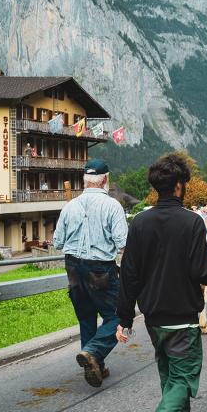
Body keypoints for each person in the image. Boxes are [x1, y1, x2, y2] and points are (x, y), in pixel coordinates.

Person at [116, 153, 207, 412]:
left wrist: (125, 318)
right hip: (182, 315)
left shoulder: (140, 222)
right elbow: (205, 272)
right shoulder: (192, 222)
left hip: (154, 317)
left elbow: (128, 274)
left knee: (169, 374)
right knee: (183, 378)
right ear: (180, 186)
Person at [53, 158, 128, 387]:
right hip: (100, 269)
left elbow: (57, 242)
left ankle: (96, 365)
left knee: (86, 318)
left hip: (73, 267)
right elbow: (123, 243)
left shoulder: (70, 206)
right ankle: (93, 352)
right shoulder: (112, 206)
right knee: (118, 315)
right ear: (105, 180)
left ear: (84, 180)